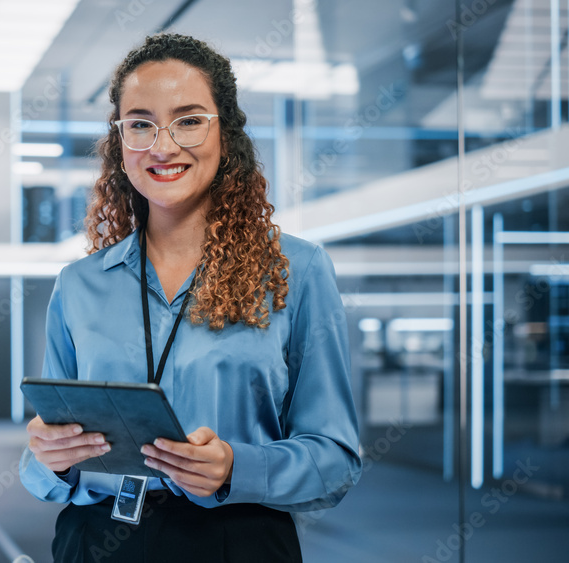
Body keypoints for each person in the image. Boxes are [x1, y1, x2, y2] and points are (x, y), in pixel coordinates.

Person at [19, 33, 361, 562]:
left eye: (188, 119)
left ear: (226, 133)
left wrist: (235, 467)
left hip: (235, 540)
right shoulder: (79, 284)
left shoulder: (297, 271)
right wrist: (50, 458)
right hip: (96, 540)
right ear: (120, 142)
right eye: (140, 124)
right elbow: (43, 461)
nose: (162, 145)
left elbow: (335, 459)